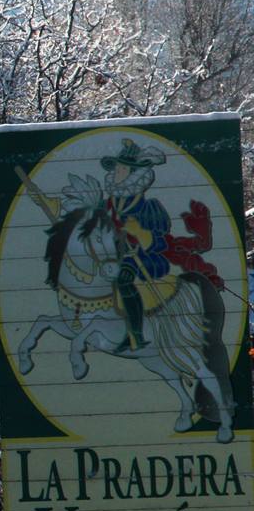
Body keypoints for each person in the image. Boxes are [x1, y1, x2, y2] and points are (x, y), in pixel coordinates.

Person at [102, 139, 169, 353]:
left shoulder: (147, 206)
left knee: (123, 281)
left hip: (139, 256)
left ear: (133, 172)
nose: (118, 172)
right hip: (113, 253)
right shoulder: (111, 202)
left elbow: (159, 240)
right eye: (117, 168)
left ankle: (135, 336)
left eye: (123, 168)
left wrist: (139, 232)